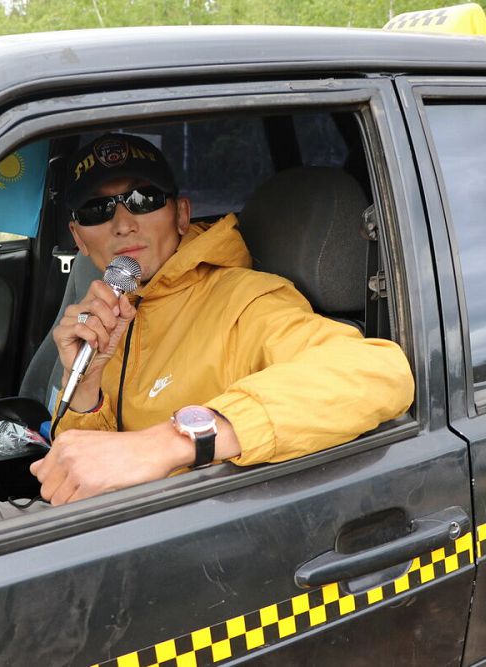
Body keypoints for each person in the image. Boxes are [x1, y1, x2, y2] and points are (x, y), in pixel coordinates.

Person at [28, 133, 414, 506]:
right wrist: (86, 386)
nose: (123, 223)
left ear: (181, 215)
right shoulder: (111, 311)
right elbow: (90, 471)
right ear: (78, 238)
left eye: (144, 199)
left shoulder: (246, 301)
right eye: (98, 210)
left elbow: (379, 372)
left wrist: (173, 441)